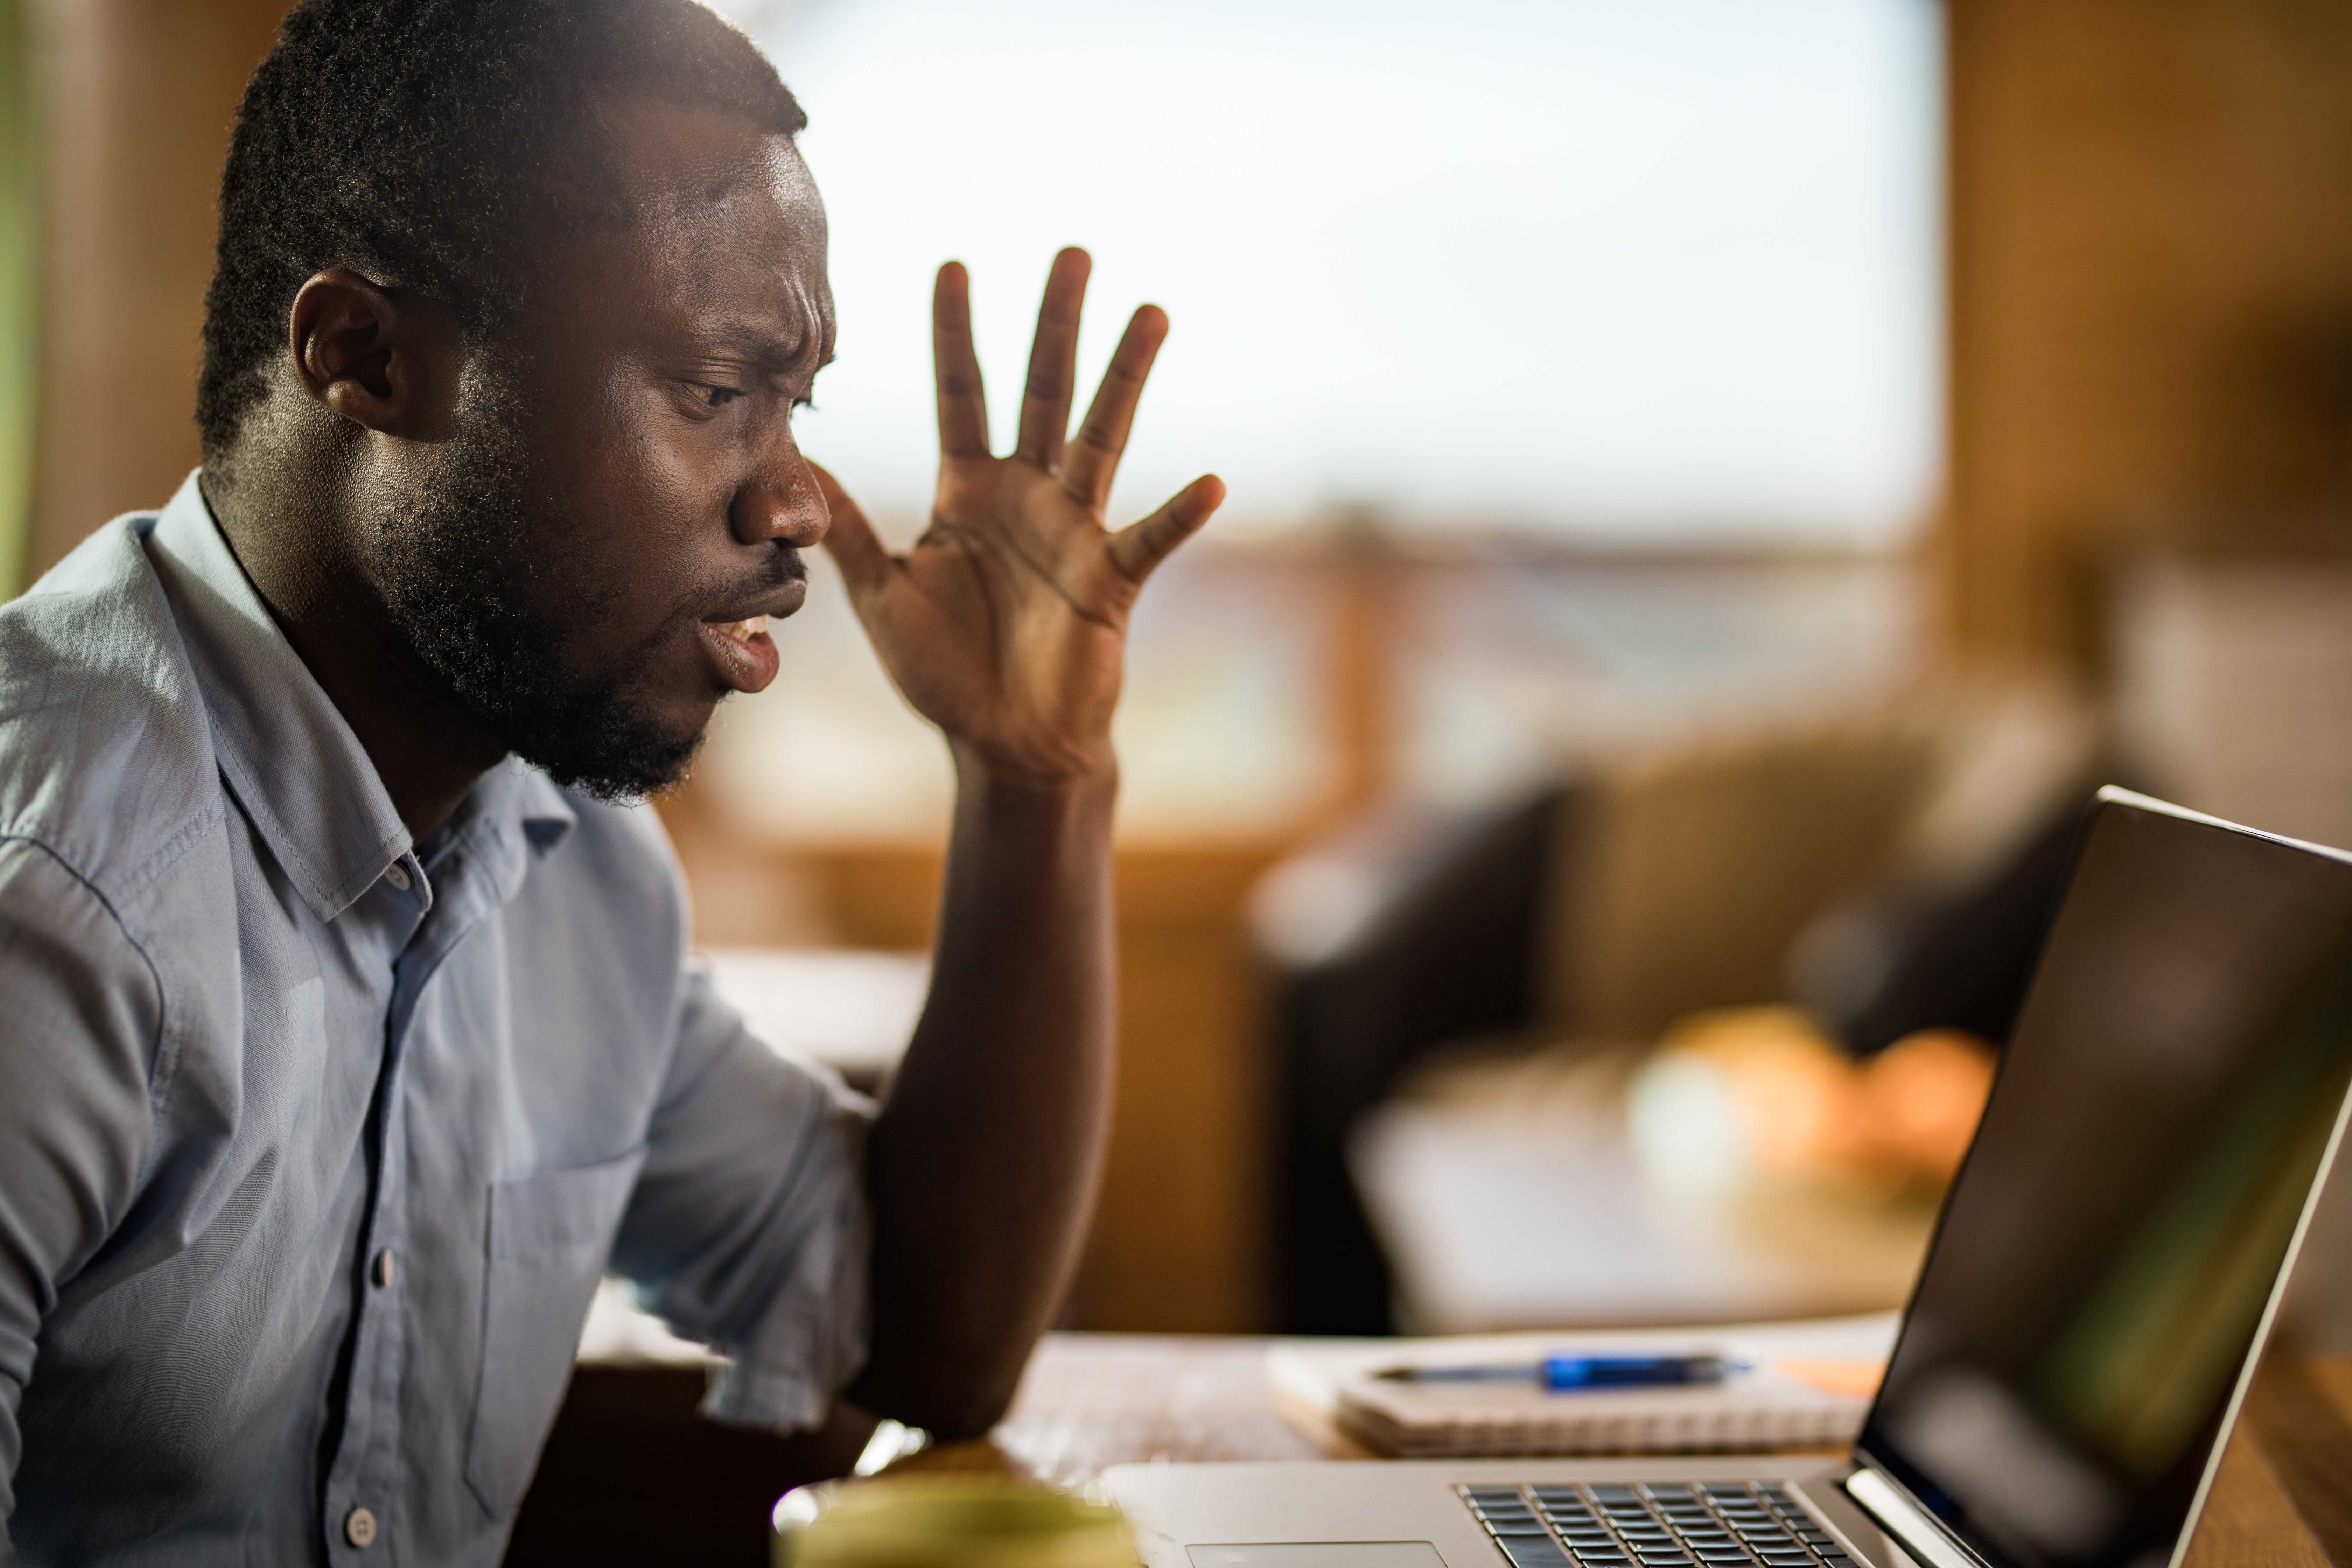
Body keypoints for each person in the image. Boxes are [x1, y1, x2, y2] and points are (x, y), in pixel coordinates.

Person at [0, 1, 1223, 1561]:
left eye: (800, 405)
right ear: (365, 360)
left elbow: (919, 1334)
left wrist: (1034, 782)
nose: (796, 499)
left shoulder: (570, 862)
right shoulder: (51, 909)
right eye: (718, 390)